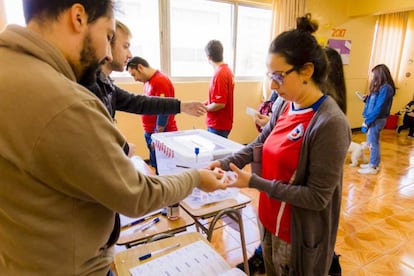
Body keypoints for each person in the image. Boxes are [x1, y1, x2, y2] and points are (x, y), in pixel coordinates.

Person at [0, 1, 227, 275]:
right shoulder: (66, 101)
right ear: (78, 17)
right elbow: (137, 195)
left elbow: (138, 102)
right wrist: (196, 177)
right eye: (108, 36)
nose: (107, 53)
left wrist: (179, 107)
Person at [210, 13, 351, 275]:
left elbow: (317, 197)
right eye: (269, 76)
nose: (273, 85)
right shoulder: (285, 103)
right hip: (269, 218)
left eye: (279, 76)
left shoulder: (330, 123)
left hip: (295, 232)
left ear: (306, 71)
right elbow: (261, 142)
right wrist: (227, 162)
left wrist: (253, 183)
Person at [87, 20, 207, 157]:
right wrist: (124, 148)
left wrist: (181, 106)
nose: (130, 54)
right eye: (125, 46)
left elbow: (141, 103)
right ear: (106, 44)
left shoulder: (106, 84)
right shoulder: (92, 86)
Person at [126, 56, 179, 174]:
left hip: (162, 133)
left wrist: (157, 136)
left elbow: (164, 110)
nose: (135, 79)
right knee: (156, 165)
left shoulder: (160, 81)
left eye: (134, 74)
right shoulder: (147, 82)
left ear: (140, 67)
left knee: (165, 169)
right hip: (151, 132)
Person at [358, 64, 396, 175]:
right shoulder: (380, 87)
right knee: (372, 142)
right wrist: (367, 99)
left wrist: (367, 121)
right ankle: (373, 164)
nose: (373, 77)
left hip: (377, 119)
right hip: (373, 118)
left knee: (373, 143)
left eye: (375, 75)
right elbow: (375, 103)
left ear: (380, 75)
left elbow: (379, 107)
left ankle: (373, 166)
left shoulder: (386, 88)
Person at [204, 39, 234, 138]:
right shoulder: (227, 70)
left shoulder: (220, 74)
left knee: (215, 153)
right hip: (222, 123)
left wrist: (205, 108)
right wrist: (205, 103)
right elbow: (218, 98)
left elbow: (220, 103)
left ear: (209, 57)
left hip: (218, 124)